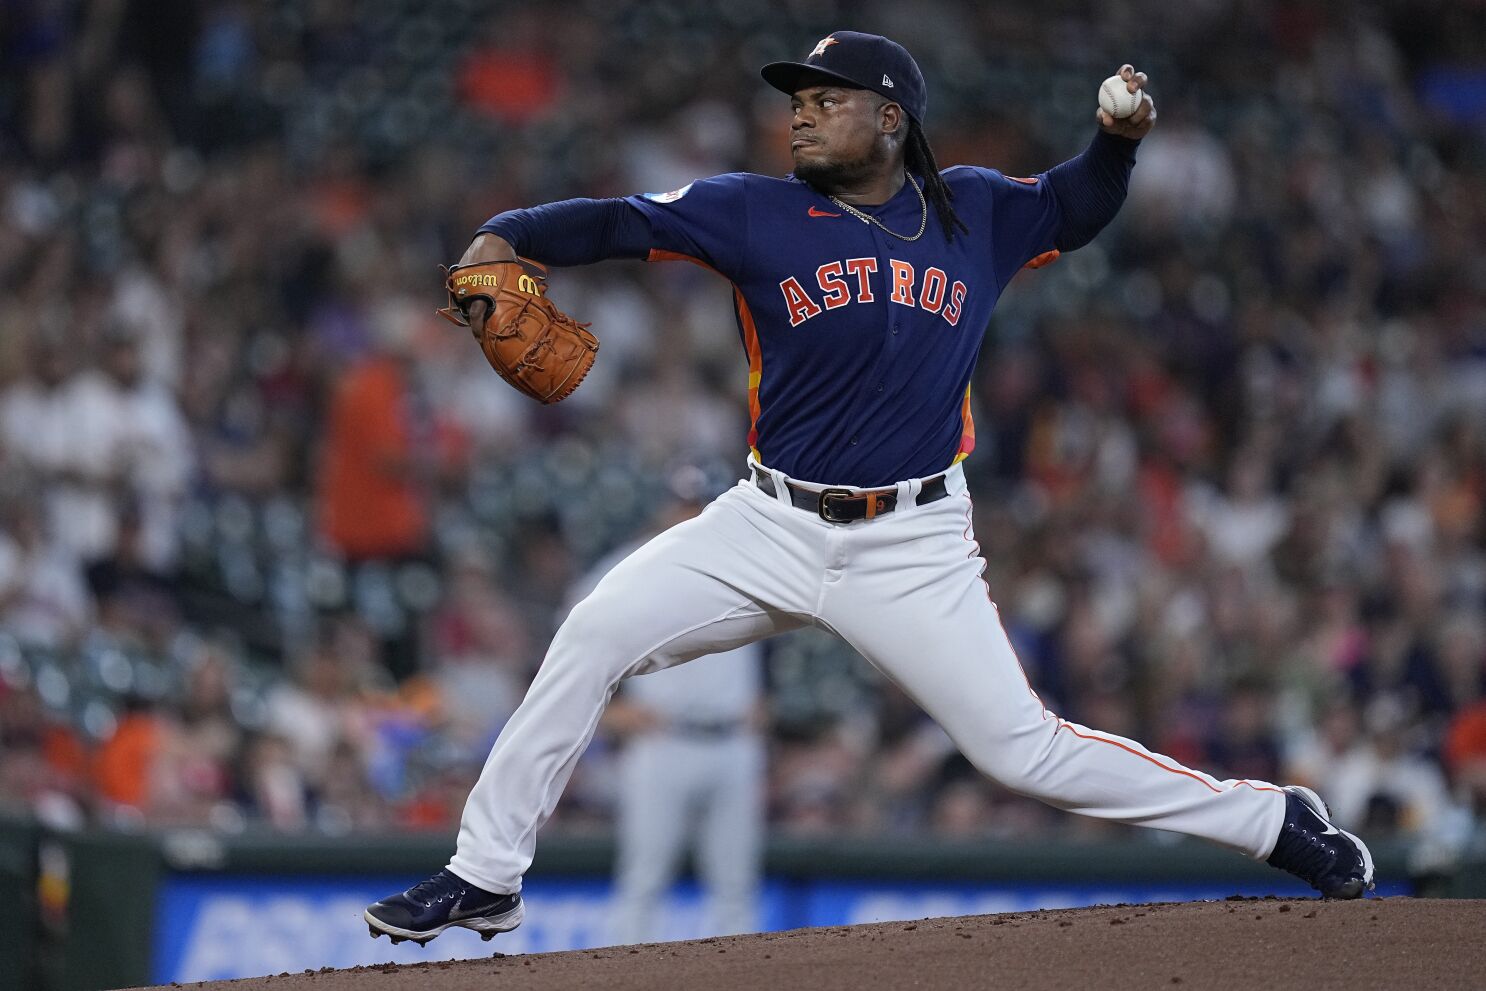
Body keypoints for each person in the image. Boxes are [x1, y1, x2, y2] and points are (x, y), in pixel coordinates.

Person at [366, 31, 1373, 947]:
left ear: (890, 117)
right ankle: (484, 872)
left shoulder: (973, 210)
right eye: (796, 97)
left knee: (1023, 753)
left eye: (826, 96)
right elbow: (613, 222)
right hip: (764, 521)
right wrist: (506, 232)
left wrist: (1115, 141)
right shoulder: (753, 210)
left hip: (911, 542)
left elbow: (1077, 202)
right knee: (591, 632)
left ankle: (1270, 820)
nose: (800, 109)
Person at [569, 468, 766, 945]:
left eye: (698, 502)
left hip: (734, 742)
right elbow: (570, 655)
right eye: (681, 503)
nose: (688, 512)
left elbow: (782, 647)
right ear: (661, 508)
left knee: (737, 889)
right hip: (661, 743)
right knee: (643, 882)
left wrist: (768, 701)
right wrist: (611, 715)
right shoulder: (621, 570)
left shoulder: (753, 564)